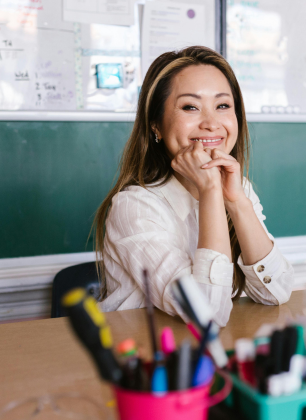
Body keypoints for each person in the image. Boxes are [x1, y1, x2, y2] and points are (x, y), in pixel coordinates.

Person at [93, 46, 294, 327]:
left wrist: (236, 202)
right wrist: (211, 191)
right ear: (156, 126)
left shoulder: (238, 188)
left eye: (223, 106)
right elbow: (206, 315)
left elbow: (277, 292)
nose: (212, 124)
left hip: (205, 355)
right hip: (147, 361)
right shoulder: (134, 207)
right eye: (190, 107)